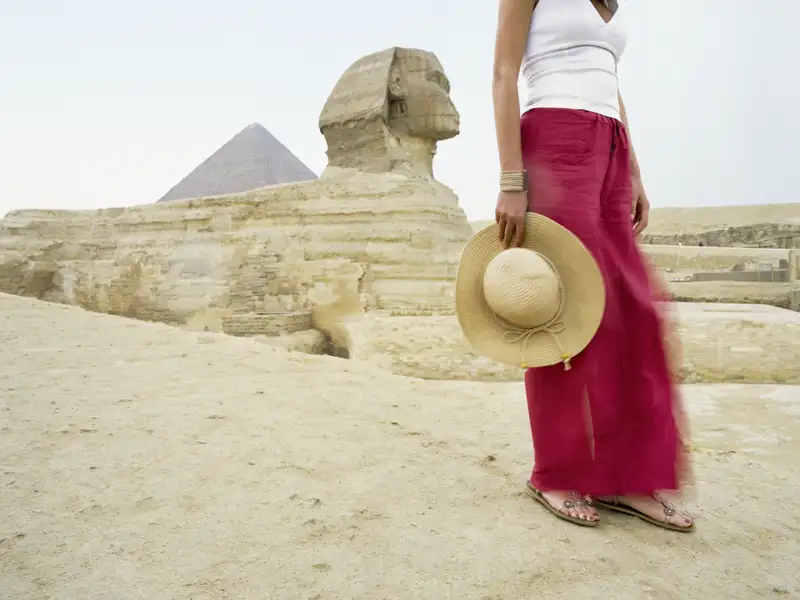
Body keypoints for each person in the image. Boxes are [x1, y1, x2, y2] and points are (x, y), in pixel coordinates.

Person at [491, 0, 695, 530]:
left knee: (631, 311)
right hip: (554, 139)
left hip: (611, 146)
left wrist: (635, 172)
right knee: (565, 311)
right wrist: (511, 179)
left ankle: (626, 478)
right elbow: (504, 73)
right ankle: (555, 473)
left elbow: (610, 85)